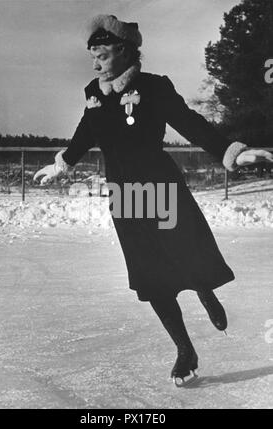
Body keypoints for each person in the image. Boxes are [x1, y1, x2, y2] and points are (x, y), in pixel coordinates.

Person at [34, 15, 273, 386]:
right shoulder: (93, 92)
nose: (95, 62)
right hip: (125, 196)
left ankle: (203, 289)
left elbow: (189, 121)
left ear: (125, 51)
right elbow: (86, 130)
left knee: (185, 252)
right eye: (92, 55)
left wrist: (229, 151)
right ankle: (185, 351)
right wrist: (62, 163)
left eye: (102, 53)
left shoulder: (154, 87)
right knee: (150, 275)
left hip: (160, 186)